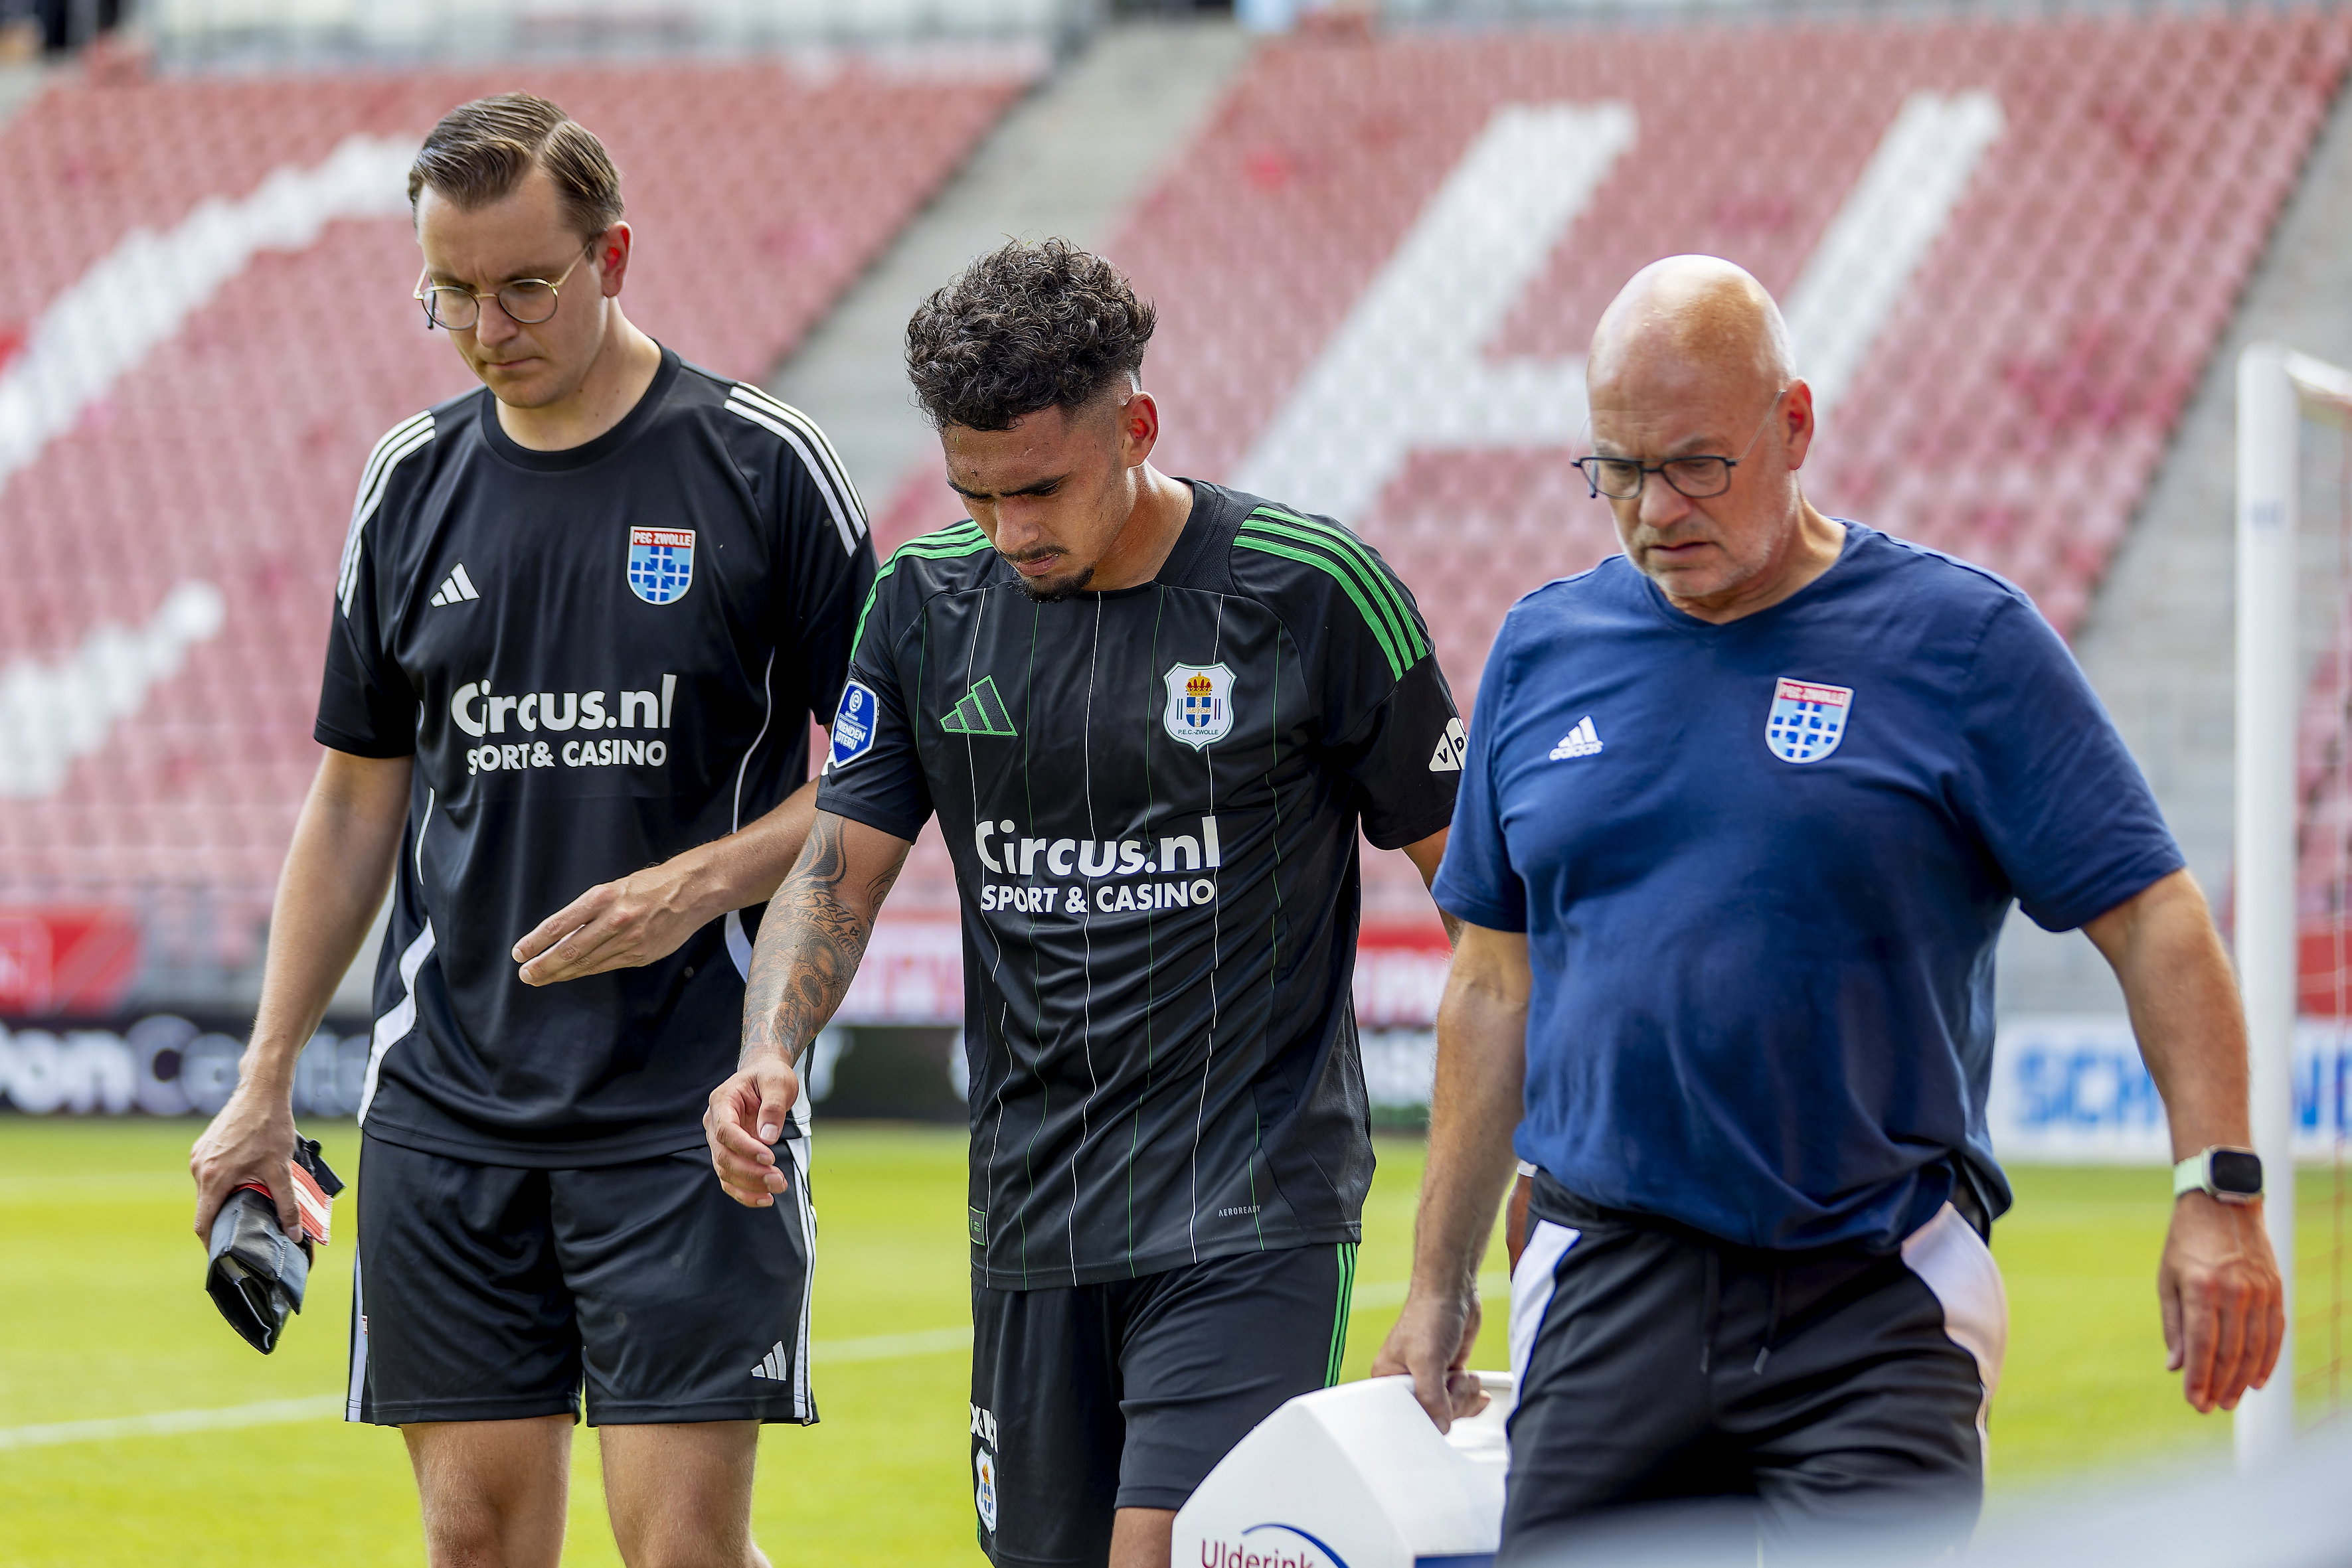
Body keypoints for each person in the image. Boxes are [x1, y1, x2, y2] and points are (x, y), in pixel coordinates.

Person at [1375, 256, 2285, 1560]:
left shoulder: (1961, 642)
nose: (1651, 509)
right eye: (1616, 470)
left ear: (1793, 425)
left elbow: (2154, 919)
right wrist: (1435, 1274)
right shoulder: (1542, 643)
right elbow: (1489, 978)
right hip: (1607, 1272)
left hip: (1872, 1287)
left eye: (1695, 463)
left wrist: (2220, 1191)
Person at [187, 94, 874, 1568]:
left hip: (691, 1103)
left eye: (523, 286)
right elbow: (357, 792)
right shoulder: (408, 483)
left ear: (613, 253)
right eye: (449, 293)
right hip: (449, 1103)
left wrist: (696, 884)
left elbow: (885, 778)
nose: (485, 325)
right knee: (473, 1544)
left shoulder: (767, 468)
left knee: (682, 1552)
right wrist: (263, 1078)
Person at [701, 238, 1464, 1568]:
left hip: (1253, 1199)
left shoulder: (1310, 594)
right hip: (1031, 1208)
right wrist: (769, 1045)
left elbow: (1486, 906)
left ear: (1138, 426)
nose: (1012, 531)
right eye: (977, 493)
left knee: (1171, 1550)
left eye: (1042, 486)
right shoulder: (925, 604)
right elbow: (838, 868)